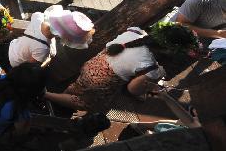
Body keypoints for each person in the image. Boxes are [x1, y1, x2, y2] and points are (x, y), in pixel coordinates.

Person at [45, 22, 201, 114]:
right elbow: (134, 90)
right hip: (98, 82)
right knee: (87, 104)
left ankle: (66, 94)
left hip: (91, 66)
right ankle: (48, 96)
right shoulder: (152, 67)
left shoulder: (134, 31)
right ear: (170, 50)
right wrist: (152, 84)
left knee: (80, 85)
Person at [0, 5, 95, 71]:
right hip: (10, 62)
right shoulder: (43, 49)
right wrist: (48, 60)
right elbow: (29, 67)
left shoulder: (38, 17)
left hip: (7, 47)